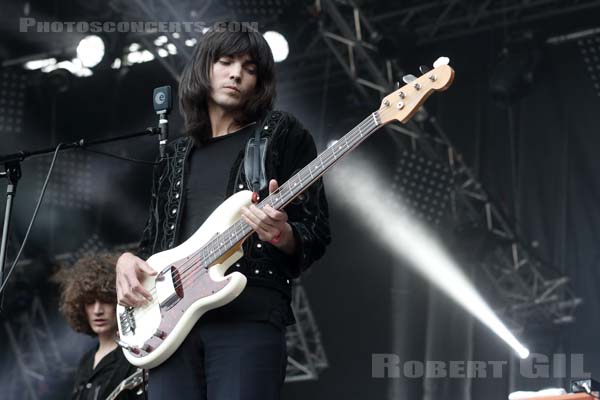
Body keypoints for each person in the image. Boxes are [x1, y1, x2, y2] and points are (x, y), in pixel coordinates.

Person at [115, 22, 331, 400]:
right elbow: (154, 242)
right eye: (226, 61)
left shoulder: (281, 133)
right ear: (204, 68)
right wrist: (127, 262)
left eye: (250, 68)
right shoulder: (174, 154)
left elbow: (316, 230)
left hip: (248, 318)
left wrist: (282, 234)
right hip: (169, 327)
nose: (236, 74)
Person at [56, 252, 144, 400]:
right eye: (90, 302)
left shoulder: (135, 354)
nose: (97, 311)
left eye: (105, 300)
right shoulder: (86, 361)